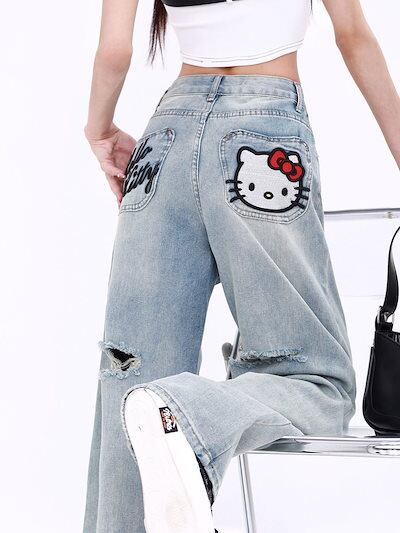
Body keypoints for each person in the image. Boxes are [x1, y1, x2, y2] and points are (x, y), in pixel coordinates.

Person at [83, 1, 400, 532]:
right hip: (263, 134)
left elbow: (114, 50)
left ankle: (165, 416)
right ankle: (184, 414)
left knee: (131, 376)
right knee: (314, 378)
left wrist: (100, 130)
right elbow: (353, 35)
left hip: (164, 140)